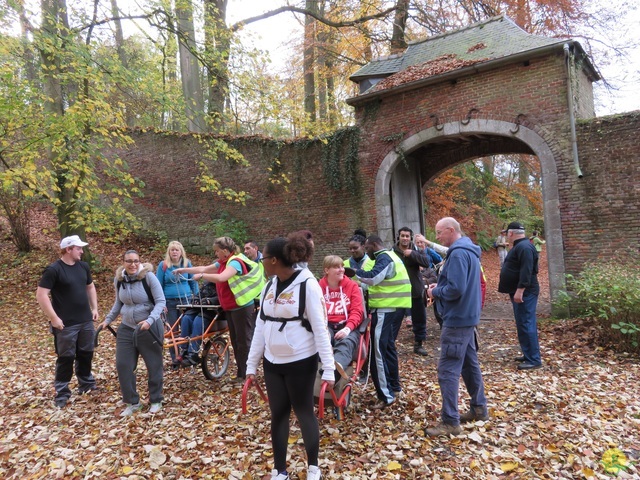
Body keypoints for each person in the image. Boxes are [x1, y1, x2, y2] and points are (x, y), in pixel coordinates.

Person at [246, 235, 335, 480]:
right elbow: (260, 327)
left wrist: (328, 368)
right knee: (279, 414)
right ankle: (279, 470)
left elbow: (320, 328)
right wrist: (251, 365)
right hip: (273, 363)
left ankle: (313, 467)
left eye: (263, 258)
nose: (261, 262)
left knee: (304, 410)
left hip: (301, 361)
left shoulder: (308, 285)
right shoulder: (269, 285)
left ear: (274, 260)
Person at [425, 217, 488, 436]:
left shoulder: (459, 253)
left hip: (457, 319)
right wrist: (440, 285)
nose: (437, 237)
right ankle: (479, 408)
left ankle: (450, 421)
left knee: (447, 369)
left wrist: (435, 292)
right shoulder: (467, 251)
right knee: (469, 364)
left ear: (451, 230)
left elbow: (456, 289)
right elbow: (458, 284)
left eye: (439, 232)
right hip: (467, 317)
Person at [175, 237, 264, 382]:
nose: (215, 254)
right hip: (230, 307)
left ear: (224, 251)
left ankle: (248, 375)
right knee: (235, 341)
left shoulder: (235, 262)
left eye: (217, 251)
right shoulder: (224, 261)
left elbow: (222, 277)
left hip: (242, 307)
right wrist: (182, 270)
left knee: (244, 341)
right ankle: (242, 374)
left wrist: (203, 276)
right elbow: (203, 268)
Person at [100, 250, 166, 416]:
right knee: (123, 365)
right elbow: (118, 303)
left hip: (149, 327)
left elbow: (160, 301)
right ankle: (132, 402)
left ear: (140, 262)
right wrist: (108, 320)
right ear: (123, 263)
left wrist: (149, 321)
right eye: (129, 261)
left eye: (136, 261)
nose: (133, 264)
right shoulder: (120, 280)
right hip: (127, 328)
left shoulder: (149, 277)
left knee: (153, 365)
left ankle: (156, 399)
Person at [36, 235, 99, 408]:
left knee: (86, 353)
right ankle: (62, 392)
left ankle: (86, 383)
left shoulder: (83, 267)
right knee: (66, 357)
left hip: (85, 320)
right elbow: (41, 295)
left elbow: (90, 286)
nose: (82, 251)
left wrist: (94, 308)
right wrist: (53, 318)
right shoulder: (53, 270)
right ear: (68, 249)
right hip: (65, 324)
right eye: (78, 248)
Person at [355, 235, 411, 409]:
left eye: (367, 248)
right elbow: (376, 282)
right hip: (395, 308)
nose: (366, 252)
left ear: (372, 245)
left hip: (385, 310)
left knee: (378, 352)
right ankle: (394, 387)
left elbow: (372, 278)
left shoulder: (384, 257)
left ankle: (386, 396)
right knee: (387, 349)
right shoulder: (393, 256)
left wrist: (353, 273)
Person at [498, 221, 542, 371]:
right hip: (521, 290)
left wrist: (520, 290)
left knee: (526, 323)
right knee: (522, 323)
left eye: (507, 233)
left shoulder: (524, 247)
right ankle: (528, 354)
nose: (507, 236)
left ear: (511, 233)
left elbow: (527, 270)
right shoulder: (521, 246)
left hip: (526, 292)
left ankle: (534, 359)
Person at [318, 255, 365, 379]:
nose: (341, 270)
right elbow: (315, 311)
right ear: (327, 270)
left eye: (342, 266)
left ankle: (335, 370)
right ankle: (320, 372)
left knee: (346, 342)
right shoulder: (318, 287)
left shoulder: (352, 286)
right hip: (326, 324)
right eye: (336, 267)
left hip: (346, 324)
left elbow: (357, 311)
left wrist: (348, 328)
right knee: (320, 339)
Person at [156, 241, 199, 363]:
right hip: (169, 303)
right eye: (172, 250)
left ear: (181, 252)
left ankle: (187, 355)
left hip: (186, 301)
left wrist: (196, 298)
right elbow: (158, 285)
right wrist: (161, 303)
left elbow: (193, 282)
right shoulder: (163, 265)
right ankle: (175, 358)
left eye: (177, 250)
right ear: (169, 252)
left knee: (186, 327)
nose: (174, 252)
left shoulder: (187, 264)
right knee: (173, 331)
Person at [393, 227, 432, 356]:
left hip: (415, 289)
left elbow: (427, 263)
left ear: (410, 238)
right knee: (395, 320)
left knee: (419, 318)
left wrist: (413, 254)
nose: (405, 238)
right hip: (398, 291)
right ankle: (390, 345)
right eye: (402, 235)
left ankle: (418, 344)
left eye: (407, 236)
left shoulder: (416, 249)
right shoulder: (392, 252)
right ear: (398, 236)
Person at [176, 281, 228, 366]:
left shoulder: (224, 283)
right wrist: (196, 299)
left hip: (214, 312)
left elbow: (224, 297)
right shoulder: (206, 284)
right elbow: (199, 294)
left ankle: (193, 353)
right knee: (186, 318)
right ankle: (184, 350)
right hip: (201, 310)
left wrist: (209, 301)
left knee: (198, 320)